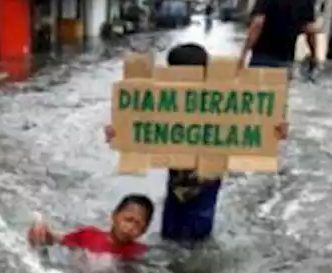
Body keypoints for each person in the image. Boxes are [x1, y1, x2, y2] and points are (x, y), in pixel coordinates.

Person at [104, 43, 289, 243]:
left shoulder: (221, 97)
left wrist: (274, 130)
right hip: (178, 181)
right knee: (174, 235)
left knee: (193, 235)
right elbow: (139, 123)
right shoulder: (170, 98)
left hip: (206, 180)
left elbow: (253, 125)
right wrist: (119, 133)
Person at [27, 194, 154, 260]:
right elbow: (57, 239)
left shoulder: (139, 252)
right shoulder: (89, 235)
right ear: (114, 216)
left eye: (138, 224)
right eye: (128, 219)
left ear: (144, 231)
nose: (130, 227)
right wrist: (41, 229)